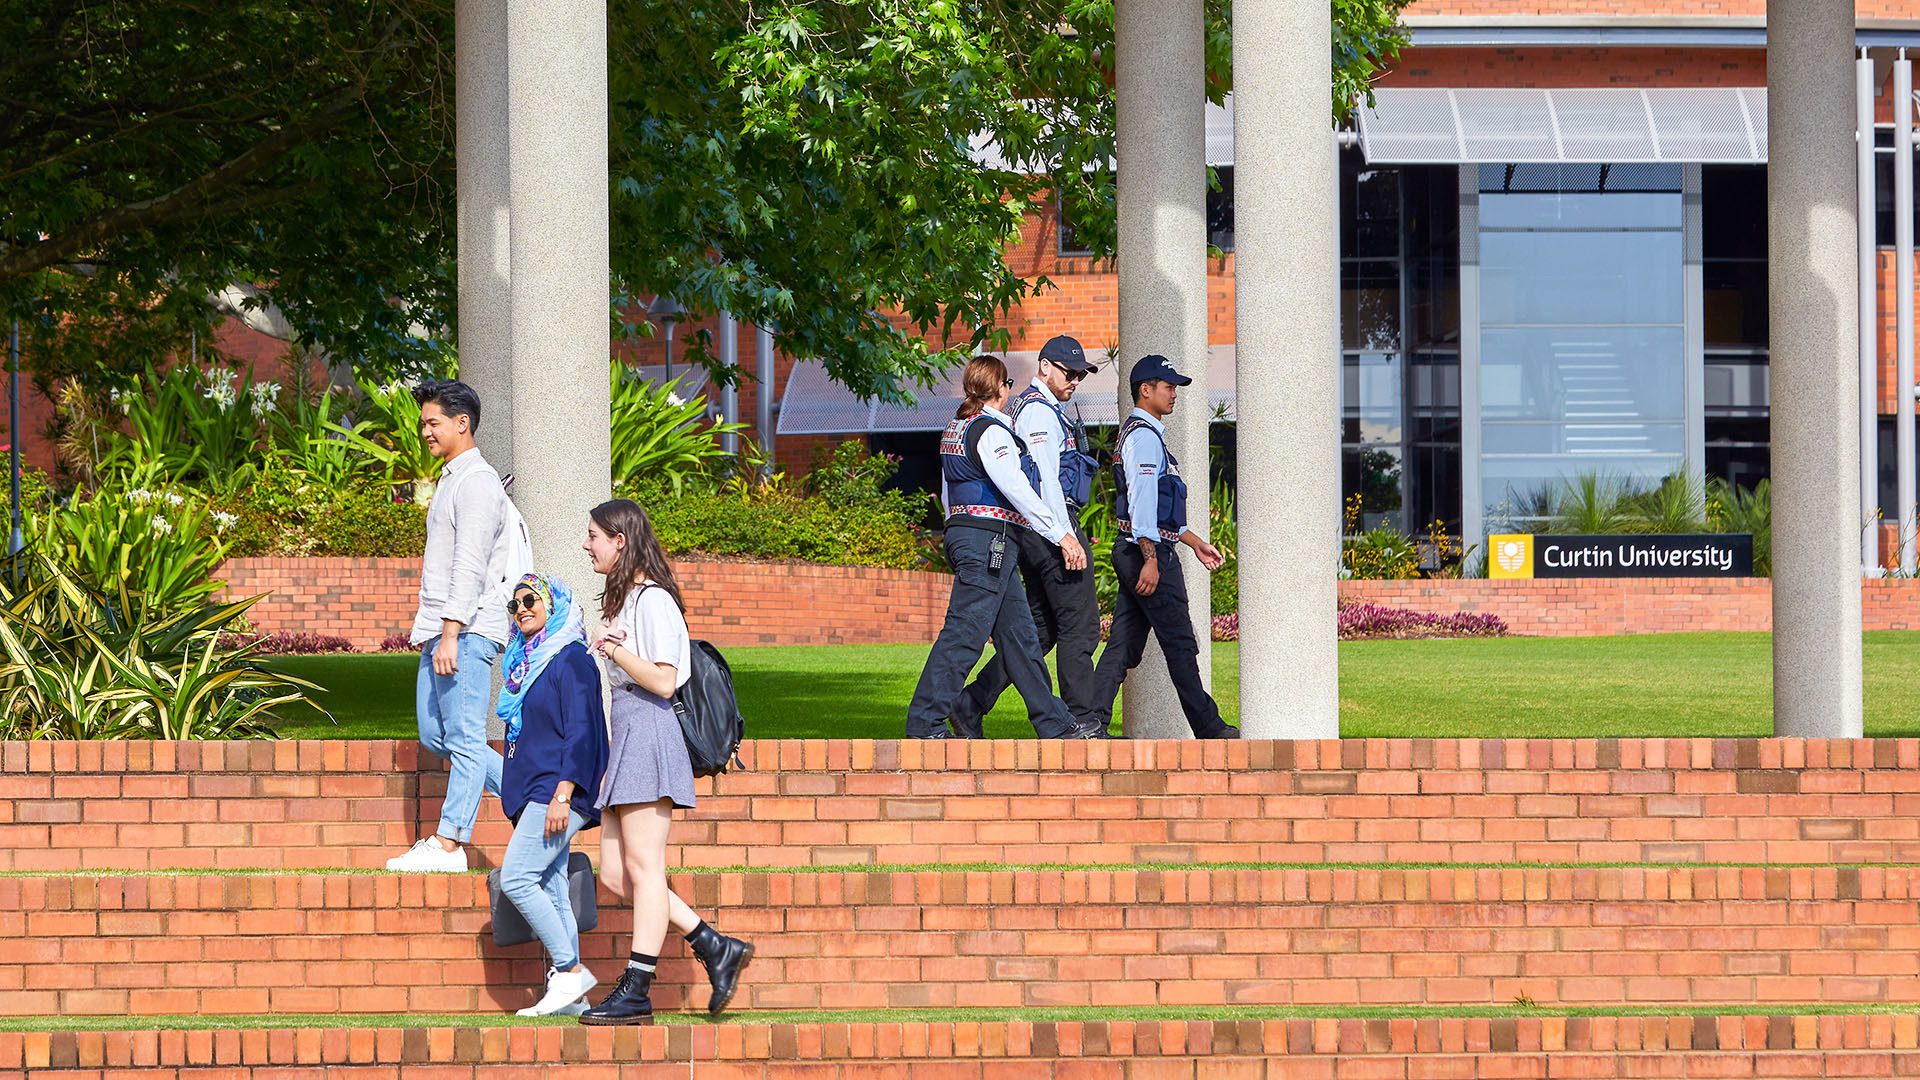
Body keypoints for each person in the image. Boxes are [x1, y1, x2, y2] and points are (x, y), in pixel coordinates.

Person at [579, 499, 753, 1025]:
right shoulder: (625, 599)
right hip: (627, 732)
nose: (587, 545)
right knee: (614, 873)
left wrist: (613, 652)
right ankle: (712, 942)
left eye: (594, 536)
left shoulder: (653, 601)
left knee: (645, 868)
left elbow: (662, 678)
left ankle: (637, 987)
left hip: (650, 729)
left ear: (621, 540)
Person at [904, 354, 1107, 741]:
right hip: (989, 542)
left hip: (977, 538)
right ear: (1000, 388)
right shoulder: (992, 431)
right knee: (964, 634)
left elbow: (951, 492)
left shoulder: (957, 427)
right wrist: (1060, 534)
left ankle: (1054, 723)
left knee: (1021, 637)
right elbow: (1018, 490)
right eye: (1009, 383)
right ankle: (925, 724)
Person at [389, 380, 522, 872]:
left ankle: (450, 843)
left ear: (461, 423)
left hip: (465, 631)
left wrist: (450, 633)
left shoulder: (478, 483)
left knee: (464, 738)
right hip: (443, 629)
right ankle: (534, 795)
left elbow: (468, 565)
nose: (424, 430)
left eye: (433, 422)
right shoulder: (452, 478)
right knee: (435, 733)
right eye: (424, 422)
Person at [1088, 355, 1239, 739]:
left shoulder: (1148, 435)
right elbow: (1140, 504)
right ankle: (1209, 727)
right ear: (1146, 390)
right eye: (1168, 387)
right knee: (1179, 642)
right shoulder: (1142, 437)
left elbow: (1160, 510)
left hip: (1144, 548)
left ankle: (1090, 722)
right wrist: (1150, 561)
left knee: (1124, 643)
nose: (1174, 394)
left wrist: (1193, 542)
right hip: (1145, 553)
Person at [494, 573, 609, 1017]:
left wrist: (564, 794)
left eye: (530, 600)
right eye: (514, 604)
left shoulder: (569, 657)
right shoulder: (526, 663)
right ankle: (574, 1000)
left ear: (552, 604)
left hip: (558, 790)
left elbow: (582, 729)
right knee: (552, 886)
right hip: (537, 789)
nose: (521, 608)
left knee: (518, 877)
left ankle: (569, 970)